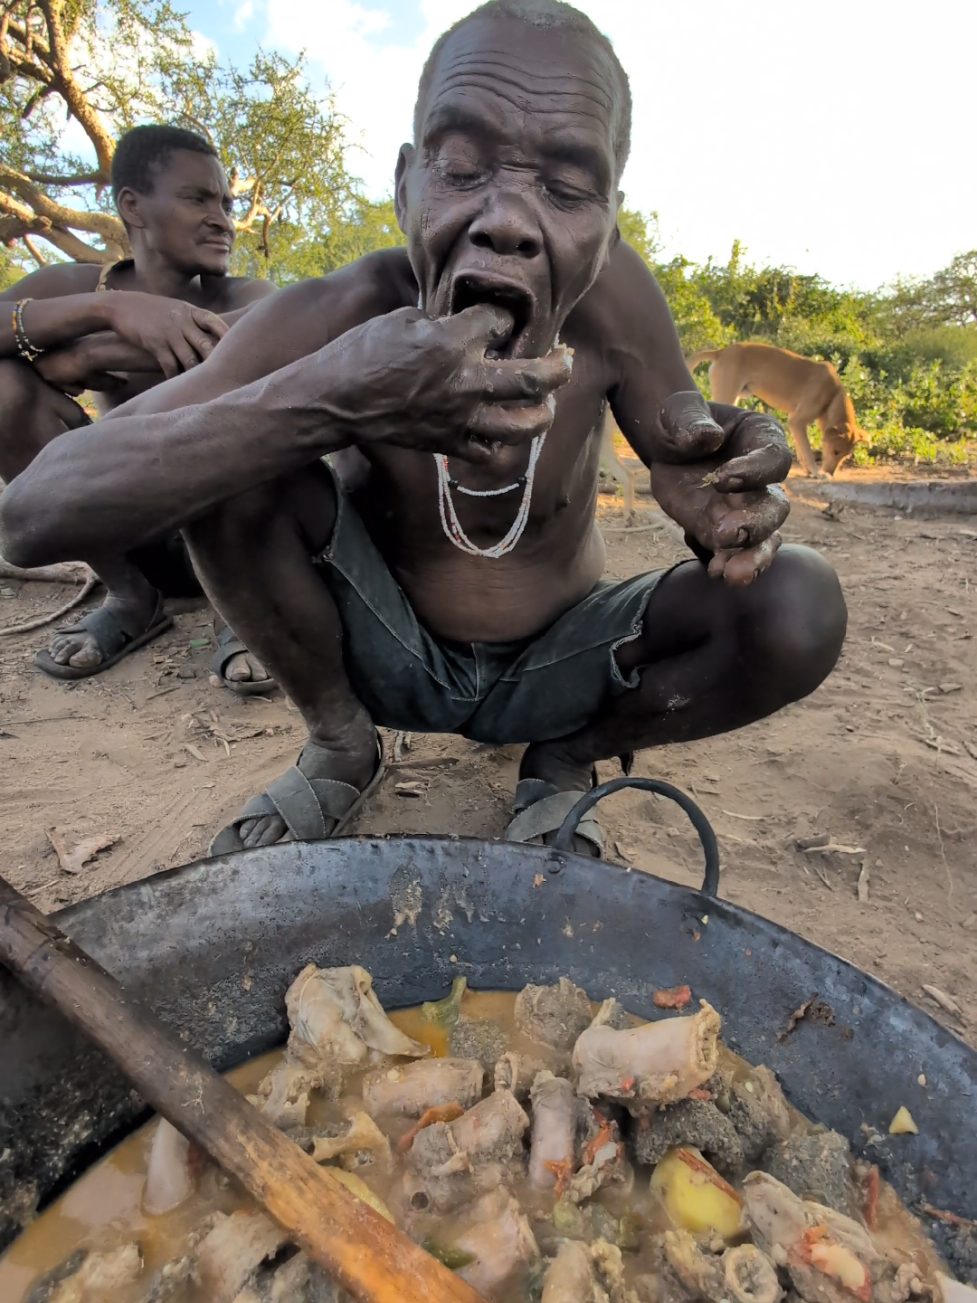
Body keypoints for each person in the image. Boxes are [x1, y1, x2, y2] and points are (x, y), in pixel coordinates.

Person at [1, 0, 847, 856]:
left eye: (564, 186)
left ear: (607, 220)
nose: (507, 221)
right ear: (405, 183)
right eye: (461, 167)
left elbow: (683, 452)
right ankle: (339, 742)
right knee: (227, 452)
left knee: (798, 600)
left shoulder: (614, 303)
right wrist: (324, 401)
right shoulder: (346, 310)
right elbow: (30, 514)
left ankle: (565, 756)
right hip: (380, 657)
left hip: (563, 663)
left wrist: (714, 491)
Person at [0, 124, 275, 690]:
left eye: (225, 202)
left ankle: (243, 612)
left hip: (245, 538)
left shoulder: (249, 296)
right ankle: (131, 597)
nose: (222, 218)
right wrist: (110, 310)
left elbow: (262, 337)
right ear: (132, 206)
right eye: (197, 198)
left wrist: (81, 356)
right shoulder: (78, 284)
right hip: (124, 533)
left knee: (246, 389)